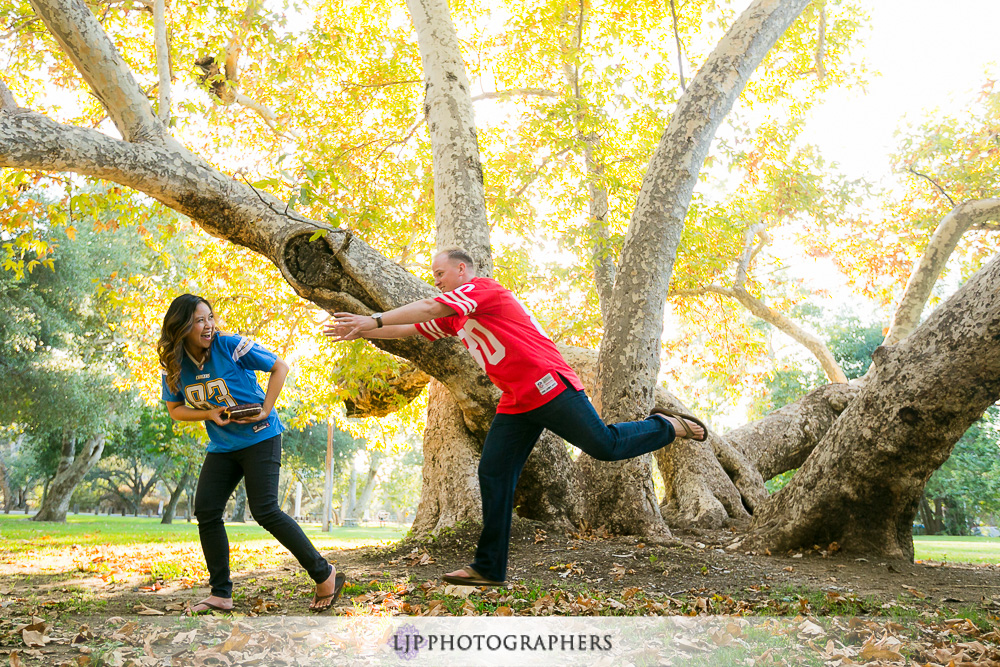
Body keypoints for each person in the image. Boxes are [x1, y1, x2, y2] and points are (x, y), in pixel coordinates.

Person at [324, 248, 707, 586]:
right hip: (517, 399)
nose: (435, 280)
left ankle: (667, 425)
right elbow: (415, 327)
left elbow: (429, 308)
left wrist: (373, 319)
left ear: (462, 270)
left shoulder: (482, 289)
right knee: (493, 473)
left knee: (604, 445)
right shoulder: (457, 316)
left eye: (440, 273)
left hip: (548, 385)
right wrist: (364, 330)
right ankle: (489, 567)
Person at [158, 294, 346, 613]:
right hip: (223, 445)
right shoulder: (174, 363)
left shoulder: (229, 344)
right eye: (199, 320)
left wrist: (266, 409)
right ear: (181, 326)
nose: (209, 325)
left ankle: (324, 574)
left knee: (265, 510)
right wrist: (208, 414)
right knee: (206, 510)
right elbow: (175, 409)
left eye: (210, 318)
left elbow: (279, 367)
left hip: (261, 436)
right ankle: (221, 593)